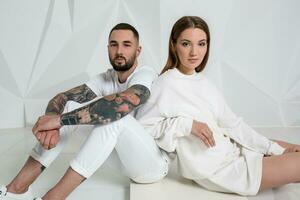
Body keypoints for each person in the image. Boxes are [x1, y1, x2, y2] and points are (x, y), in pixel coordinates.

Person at [0, 23, 169, 200]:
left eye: (127, 45)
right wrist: (51, 120)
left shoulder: (145, 75)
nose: (119, 51)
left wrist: (59, 121)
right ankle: (15, 190)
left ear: (138, 50)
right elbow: (62, 98)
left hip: (153, 164)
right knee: (71, 106)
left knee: (116, 119)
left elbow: (122, 105)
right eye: (114, 44)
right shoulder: (107, 77)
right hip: (125, 158)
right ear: (108, 48)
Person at [136, 16, 300, 196]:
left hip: (233, 151)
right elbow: (142, 127)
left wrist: (276, 149)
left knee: (292, 148)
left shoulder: (204, 82)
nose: (194, 52)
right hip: (221, 171)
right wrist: (187, 125)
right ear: (174, 45)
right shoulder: (165, 83)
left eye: (201, 44)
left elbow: (233, 125)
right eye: (186, 44)